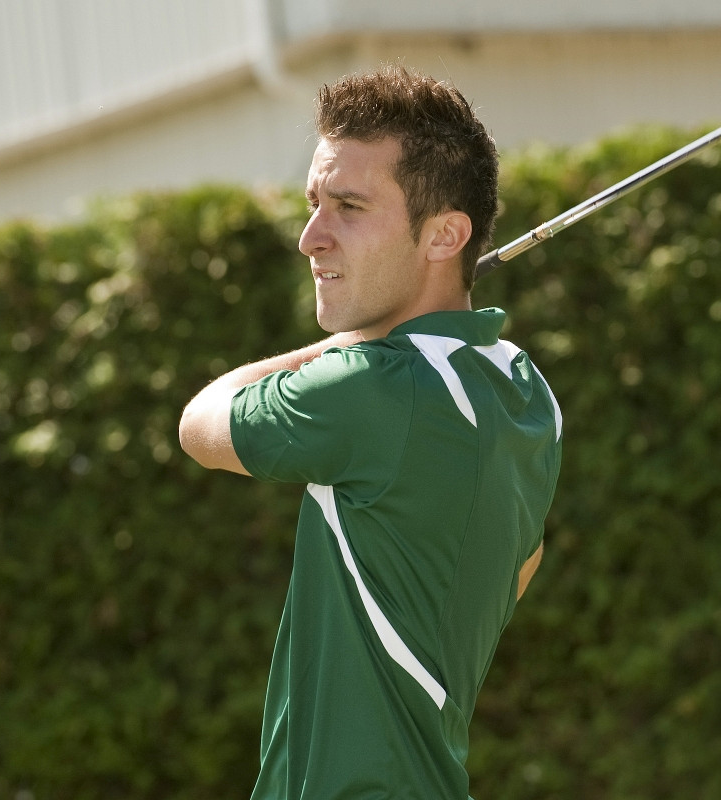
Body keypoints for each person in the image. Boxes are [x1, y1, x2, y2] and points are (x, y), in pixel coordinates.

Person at [178, 64, 563, 799]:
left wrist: (332, 348)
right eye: (313, 203)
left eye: (349, 206)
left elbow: (200, 424)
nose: (310, 238)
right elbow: (519, 563)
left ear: (446, 235)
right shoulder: (521, 387)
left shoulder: (374, 388)